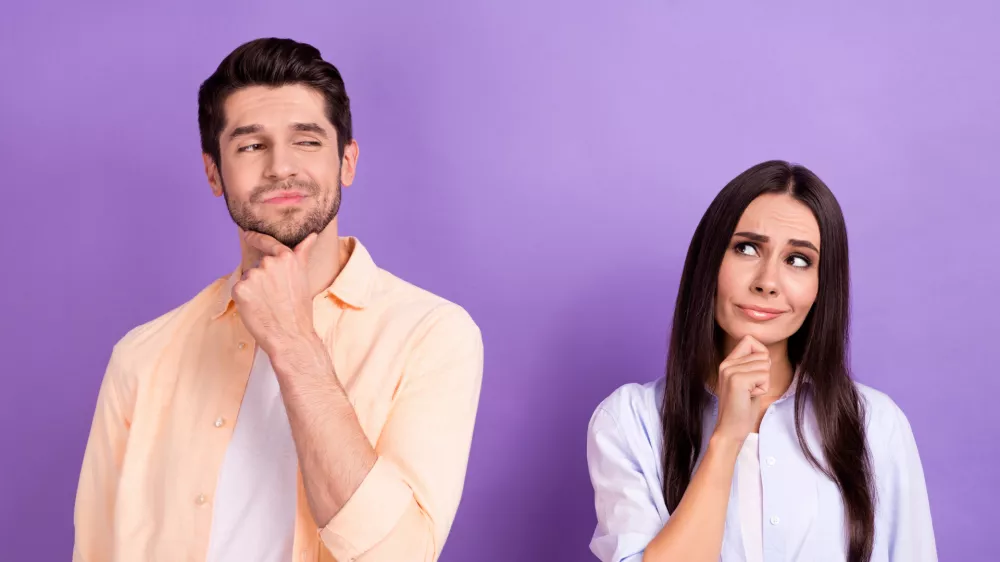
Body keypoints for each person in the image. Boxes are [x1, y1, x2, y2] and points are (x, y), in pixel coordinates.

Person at [73, 37, 484, 562]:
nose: (280, 167)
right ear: (214, 173)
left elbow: (399, 554)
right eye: (251, 146)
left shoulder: (431, 335)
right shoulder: (141, 356)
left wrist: (292, 340)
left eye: (307, 141)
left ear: (347, 161)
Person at [586, 160, 936, 562]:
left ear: (821, 286)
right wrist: (726, 439)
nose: (767, 282)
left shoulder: (875, 423)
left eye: (798, 260)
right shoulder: (630, 421)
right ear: (709, 261)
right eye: (746, 248)